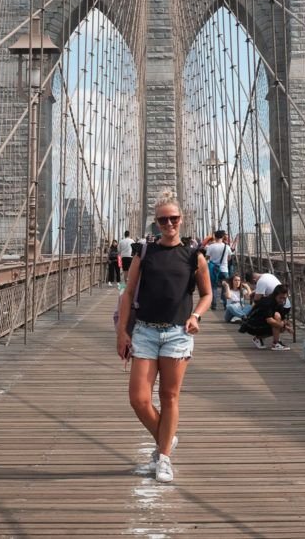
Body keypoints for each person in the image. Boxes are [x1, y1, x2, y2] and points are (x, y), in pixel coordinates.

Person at [115, 190, 212, 484]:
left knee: (169, 396)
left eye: (174, 219)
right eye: (162, 220)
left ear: (182, 220)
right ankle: (166, 439)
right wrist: (122, 332)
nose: (169, 224)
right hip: (144, 331)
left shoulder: (194, 256)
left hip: (177, 334)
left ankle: (164, 457)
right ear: (155, 223)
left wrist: (196, 316)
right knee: (139, 398)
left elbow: (207, 294)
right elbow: (128, 292)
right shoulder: (143, 253)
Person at [238, 284, 292, 350]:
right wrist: (284, 326)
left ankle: (258, 338)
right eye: (280, 298)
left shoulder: (278, 302)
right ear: (275, 295)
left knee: (281, 323)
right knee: (277, 317)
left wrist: (287, 325)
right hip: (251, 325)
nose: (282, 300)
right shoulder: (268, 302)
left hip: (260, 322)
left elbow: (283, 318)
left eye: (284, 298)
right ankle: (276, 343)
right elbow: (270, 320)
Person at [205, 230, 232, 310]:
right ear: (223, 237)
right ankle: (224, 304)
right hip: (224, 270)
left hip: (213, 270)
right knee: (225, 287)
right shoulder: (227, 247)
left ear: (215, 237)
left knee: (214, 287)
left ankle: (214, 304)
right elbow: (229, 258)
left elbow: (207, 258)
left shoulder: (211, 246)